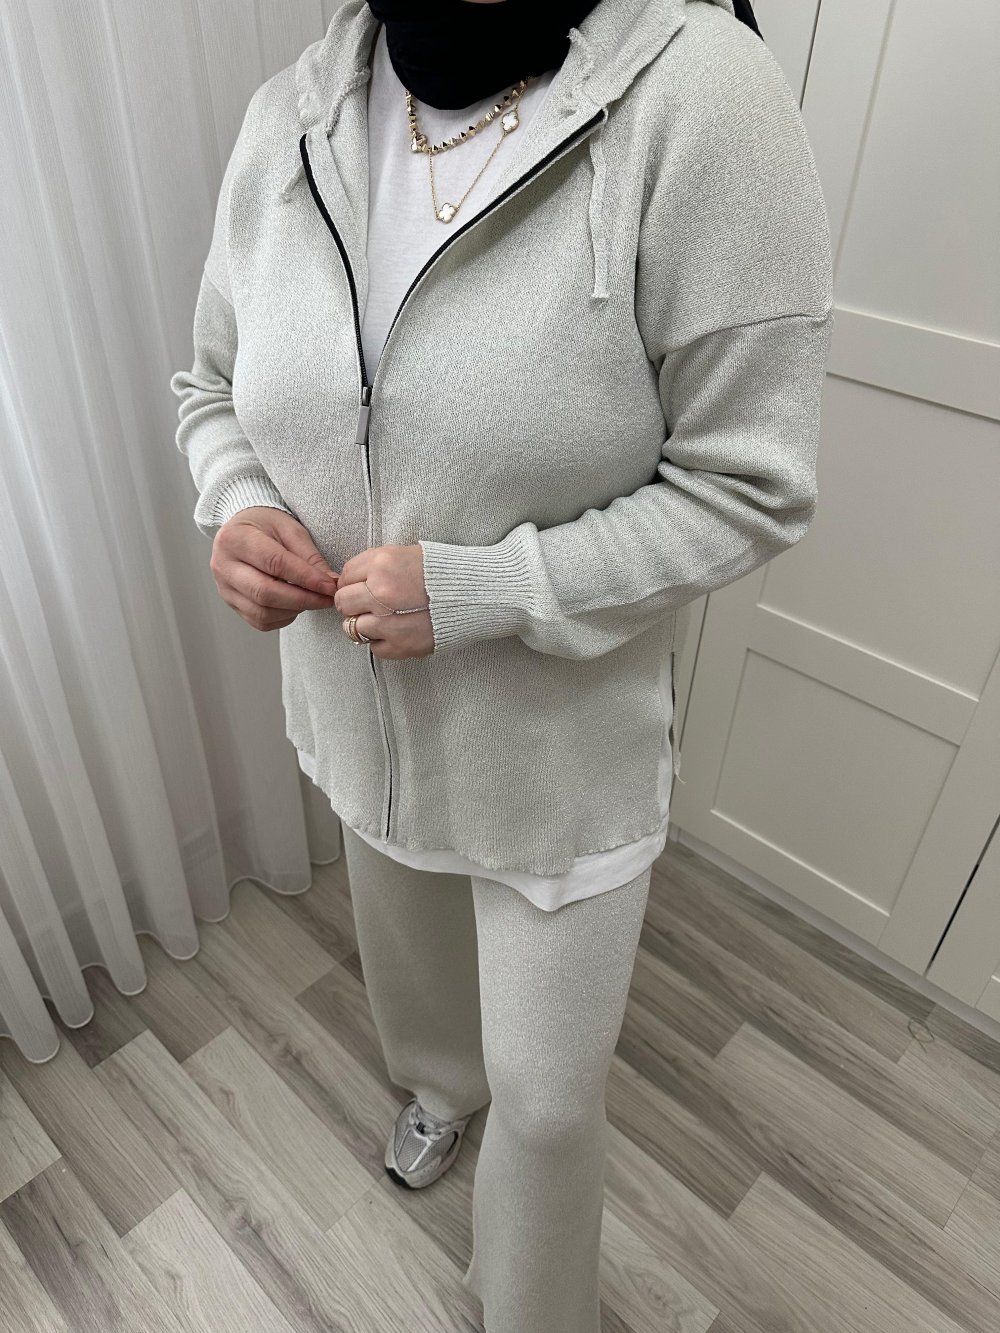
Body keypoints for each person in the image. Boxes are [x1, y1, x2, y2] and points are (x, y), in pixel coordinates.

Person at [170, 0, 833, 1328]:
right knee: (418, 978)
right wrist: (237, 508)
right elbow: (209, 388)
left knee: (548, 1100)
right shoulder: (288, 118)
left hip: (559, 751)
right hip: (361, 714)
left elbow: (749, 486)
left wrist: (488, 590)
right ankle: (435, 1084)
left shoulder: (704, 97)